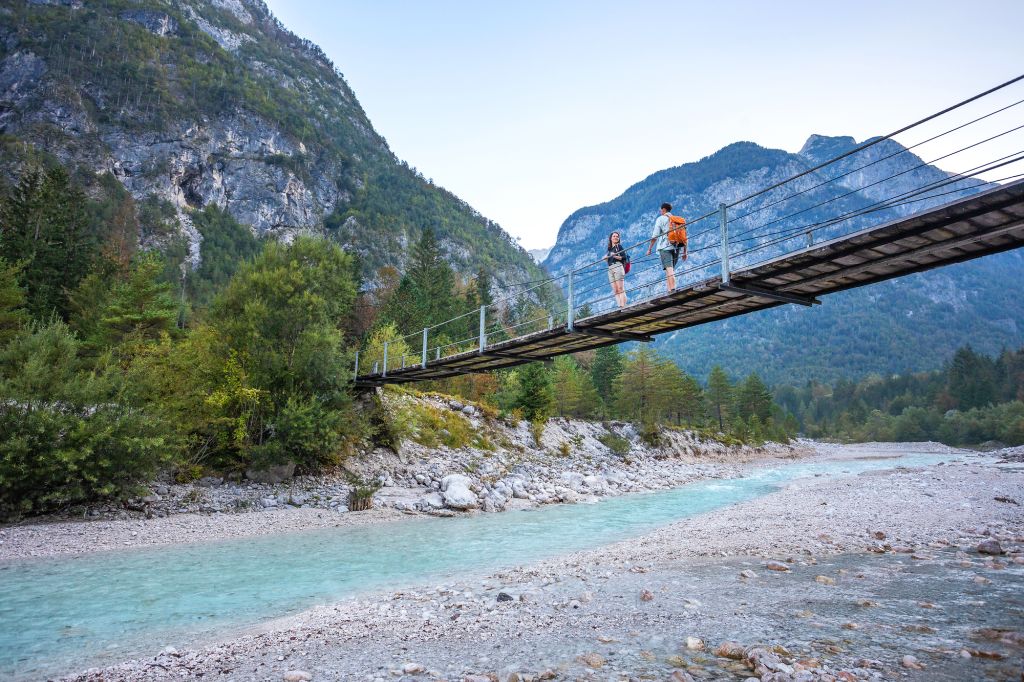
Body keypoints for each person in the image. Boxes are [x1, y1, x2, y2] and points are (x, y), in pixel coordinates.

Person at [646, 202, 681, 292]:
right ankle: (669, 289)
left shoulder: (661, 219)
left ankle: (672, 289)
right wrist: (685, 251)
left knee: (669, 269)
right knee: (670, 269)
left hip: (665, 247)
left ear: (663, 210)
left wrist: (649, 248)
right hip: (677, 247)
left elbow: (655, 235)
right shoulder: (676, 219)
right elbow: (684, 237)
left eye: (661, 210)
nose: (660, 211)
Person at [604, 231, 628, 307]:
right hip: (610, 268)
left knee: (620, 288)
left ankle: (623, 306)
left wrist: (614, 256)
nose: (616, 237)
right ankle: (619, 306)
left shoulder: (619, 247)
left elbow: (624, 257)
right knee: (615, 290)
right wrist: (606, 258)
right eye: (614, 236)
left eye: (617, 236)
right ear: (611, 238)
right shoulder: (609, 250)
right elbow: (609, 259)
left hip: (618, 266)